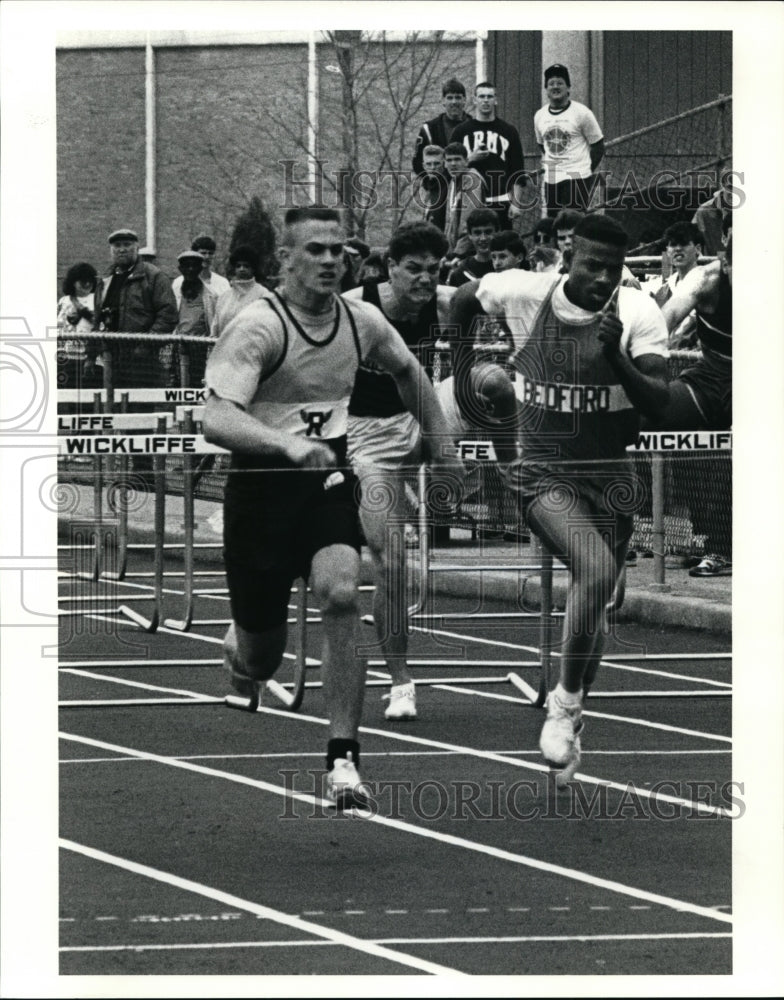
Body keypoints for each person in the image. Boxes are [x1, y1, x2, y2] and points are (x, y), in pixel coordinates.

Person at [202, 207, 463, 808]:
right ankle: (240, 644)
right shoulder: (256, 326)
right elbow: (216, 418)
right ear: (284, 262)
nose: (329, 260)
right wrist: (287, 443)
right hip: (262, 489)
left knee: (342, 592)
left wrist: (444, 449)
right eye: (314, 250)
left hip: (326, 481)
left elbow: (410, 371)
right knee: (261, 660)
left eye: (338, 250)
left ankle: (343, 760)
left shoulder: (361, 320)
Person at [450, 214, 670, 782]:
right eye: (592, 265)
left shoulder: (637, 312)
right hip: (541, 471)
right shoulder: (526, 290)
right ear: (568, 259)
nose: (602, 279)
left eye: (613, 270)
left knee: (599, 604)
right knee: (593, 573)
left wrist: (616, 357)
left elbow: (659, 402)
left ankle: (573, 713)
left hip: (610, 476)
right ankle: (562, 705)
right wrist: (462, 368)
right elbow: (464, 300)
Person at [345, 221, 462, 722]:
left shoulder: (447, 303)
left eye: (432, 270)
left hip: (423, 416)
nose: (423, 279)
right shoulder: (355, 307)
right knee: (391, 561)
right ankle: (400, 681)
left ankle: (507, 470)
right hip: (367, 438)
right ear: (389, 268)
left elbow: (500, 293)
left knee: (493, 381)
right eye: (413, 269)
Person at [651, 219, 732, 578]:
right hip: (712, 379)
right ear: (725, 240)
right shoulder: (708, 279)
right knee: (649, 415)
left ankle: (724, 547)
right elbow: (662, 322)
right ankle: (612, 527)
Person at [93, 228, 178, 387]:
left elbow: (168, 314)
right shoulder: (105, 280)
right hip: (109, 358)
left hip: (143, 361)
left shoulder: (153, 276)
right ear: (111, 250)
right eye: (117, 245)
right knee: (112, 405)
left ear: (137, 248)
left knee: (140, 406)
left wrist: (146, 345)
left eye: (127, 244)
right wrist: (91, 355)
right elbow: (97, 319)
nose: (122, 249)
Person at [449, 81, 528, 230]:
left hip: (500, 202)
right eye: (482, 96)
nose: (486, 100)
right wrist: (471, 158)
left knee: (501, 247)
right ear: (474, 100)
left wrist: (516, 204)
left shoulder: (508, 131)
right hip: (470, 204)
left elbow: (518, 172)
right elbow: (450, 169)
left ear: (496, 100)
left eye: (490, 96)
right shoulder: (461, 132)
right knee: (470, 248)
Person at [534, 64, 605, 217]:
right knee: (554, 223)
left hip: (577, 177)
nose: (555, 87)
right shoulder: (539, 116)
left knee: (574, 222)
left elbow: (598, 147)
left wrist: (585, 169)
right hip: (552, 178)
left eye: (560, 83)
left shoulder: (582, 113)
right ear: (546, 90)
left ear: (568, 88)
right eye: (551, 84)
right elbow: (543, 145)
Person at [648, 221, 706, 349]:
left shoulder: (707, 282)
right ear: (667, 252)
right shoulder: (662, 290)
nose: (678, 248)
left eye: (684, 243)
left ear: (698, 249)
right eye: (673, 245)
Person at [172, 249, 218, 387]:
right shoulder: (173, 291)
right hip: (176, 346)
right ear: (180, 269)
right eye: (187, 266)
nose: (190, 269)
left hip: (200, 349)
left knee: (197, 385)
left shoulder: (212, 295)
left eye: (194, 266)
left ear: (200, 267)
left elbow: (215, 324)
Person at [411, 78, 470, 178]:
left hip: (467, 185)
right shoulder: (429, 129)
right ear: (443, 101)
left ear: (464, 100)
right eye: (450, 98)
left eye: (458, 98)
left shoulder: (474, 127)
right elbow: (417, 162)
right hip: (438, 189)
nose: (454, 102)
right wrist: (430, 183)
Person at [57, 261, 101, 390]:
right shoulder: (64, 301)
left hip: (91, 356)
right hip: (67, 355)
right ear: (73, 282)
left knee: (91, 393)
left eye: (89, 281)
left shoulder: (98, 300)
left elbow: (100, 322)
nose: (87, 284)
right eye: (82, 281)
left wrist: (83, 313)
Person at [212, 245, 269, 338]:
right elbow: (215, 326)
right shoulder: (224, 296)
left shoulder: (263, 294)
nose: (242, 269)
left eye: (246, 266)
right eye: (238, 266)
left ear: (253, 268)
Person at [442, 142, 488, 252]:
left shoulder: (471, 180)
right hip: (453, 250)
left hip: (469, 252)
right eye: (449, 160)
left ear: (466, 161)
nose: (453, 164)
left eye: (457, 159)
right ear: (444, 163)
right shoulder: (453, 182)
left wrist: (457, 254)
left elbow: (469, 223)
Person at [447, 208, 500, 287]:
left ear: (497, 232)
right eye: (477, 233)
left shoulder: (507, 267)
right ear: (470, 235)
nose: (483, 238)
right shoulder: (461, 272)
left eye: (488, 232)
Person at [172, 234, 231, 302]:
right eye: (203, 253)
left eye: (210, 253)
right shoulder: (178, 282)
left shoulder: (223, 282)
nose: (207, 257)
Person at [412, 144, 449, 232]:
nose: (433, 168)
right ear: (424, 166)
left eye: (437, 164)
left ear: (444, 164)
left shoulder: (450, 185)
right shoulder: (426, 187)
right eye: (429, 164)